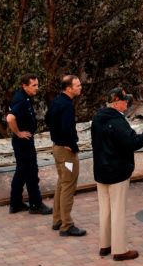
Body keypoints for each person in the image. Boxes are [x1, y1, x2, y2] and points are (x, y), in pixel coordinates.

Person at [90, 87, 143, 261]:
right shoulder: (118, 121)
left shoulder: (98, 118)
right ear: (116, 102)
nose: (127, 103)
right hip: (117, 171)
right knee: (118, 210)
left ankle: (104, 245)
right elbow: (133, 143)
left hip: (101, 170)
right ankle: (119, 250)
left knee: (105, 210)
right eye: (124, 100)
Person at [6, 74, 52, 215]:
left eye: (37, 85)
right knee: (31, 172)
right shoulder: (20, 100)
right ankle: (35, 204)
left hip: (23, 141)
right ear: (24, 86)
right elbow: (10, 118)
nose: (37, 88)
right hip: (23, 142)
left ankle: (15, 203)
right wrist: (19, 133)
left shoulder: (24, 97)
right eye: (34, 85)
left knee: (21, 171)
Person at [46, 74, 86, 237]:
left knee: (62, 184)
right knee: (68, 185)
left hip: (57, 148)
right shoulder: (67, 105)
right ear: (68, 88)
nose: (80, 87)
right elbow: (67, 128)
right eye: (77, 85)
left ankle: (57, 220)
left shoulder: (57, 101)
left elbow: (47, 119)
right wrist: (72, 145)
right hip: (66, 152)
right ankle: (66, 225)